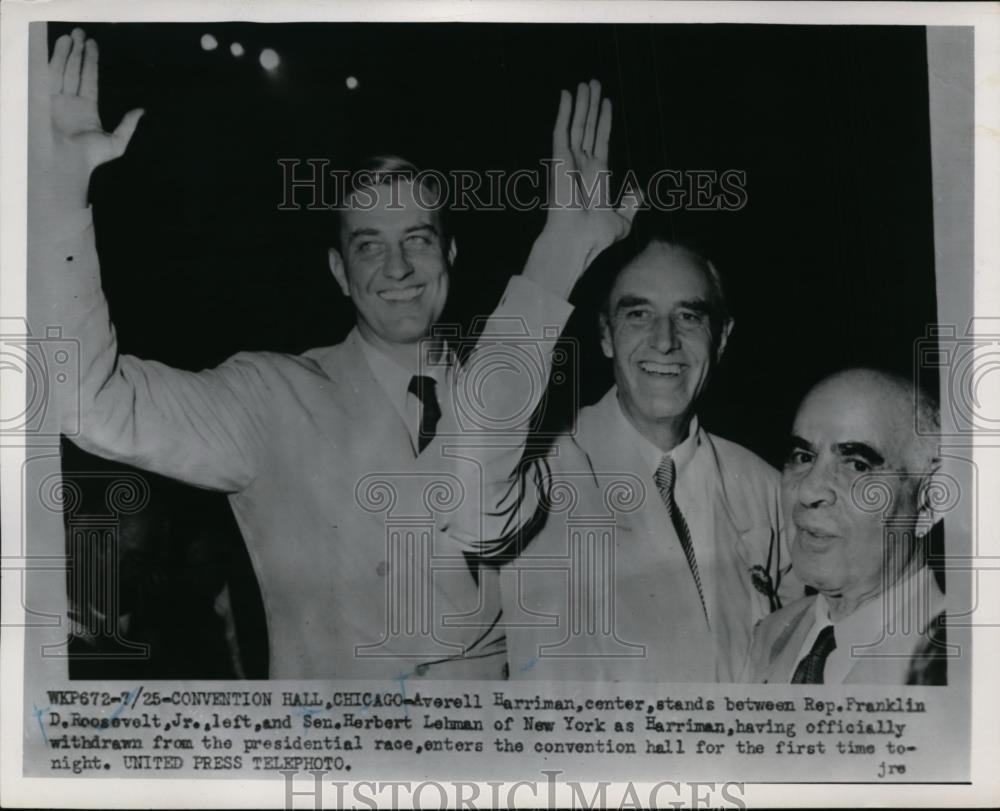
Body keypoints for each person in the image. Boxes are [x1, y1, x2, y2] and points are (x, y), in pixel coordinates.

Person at [39, 27, 639, 678]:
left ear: (451, 254)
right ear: (337, 270)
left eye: (418, 238)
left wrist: (562, 249)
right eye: (369, 246)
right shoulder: (270, 398)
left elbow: (477, 504)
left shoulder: (523, 407)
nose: (399, 268)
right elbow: (88, 402)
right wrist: (61, 203)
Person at [497, 232, 800, 682]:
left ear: (721, 339)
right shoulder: (533, 470)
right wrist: (562, 242)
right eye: (638, 315)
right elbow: (467, 471)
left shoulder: (766, 488)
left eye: (689, 316)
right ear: (605, 334)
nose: (665, 341)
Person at [743, 368, 947, 685]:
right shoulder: (770, 635)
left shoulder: (959, 663)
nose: (809, 491)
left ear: (930, 502)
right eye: (802, 456)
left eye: (856, 465)